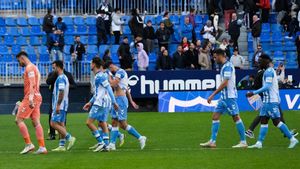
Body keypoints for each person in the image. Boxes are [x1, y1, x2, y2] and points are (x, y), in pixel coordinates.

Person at [246, 54, 299, 149]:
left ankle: (292, 139)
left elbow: (267, 86)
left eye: (260, 61)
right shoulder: (268, 71)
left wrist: (253, 93)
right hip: (267, 101)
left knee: (277, 122)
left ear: (266, 61)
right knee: (263, 120)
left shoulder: (269, 71)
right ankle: (259, 143)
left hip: (271, 101)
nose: (259, 63)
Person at [200, 48, 247, 148]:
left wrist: (213, 94)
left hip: (229, 97)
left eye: (215, 56)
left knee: (236, 117)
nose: (214, 58)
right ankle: (212, 141)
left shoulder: (228, 66)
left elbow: (225, 83)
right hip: (224, 97)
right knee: (215, 116)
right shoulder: (224, 66)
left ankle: (243, 142)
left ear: (220, 55)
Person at [106, 61, 147, 150]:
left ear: (112, 66)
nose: (110, 70)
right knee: (114, 121)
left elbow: (113, 84)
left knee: (123, 124)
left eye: (110, 68)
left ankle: (140, 138)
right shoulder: (118, 74)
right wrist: (131, 101)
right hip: (117, 99)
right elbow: (127, 89)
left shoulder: (120, 72)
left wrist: (109, 76)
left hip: (120, 100)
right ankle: (112, 144)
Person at [83, 57, 118, 152]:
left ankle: (101, 142)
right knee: (102, 123)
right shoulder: (101, 75)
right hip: (105, 103)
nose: (90, 65)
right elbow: (98, 92)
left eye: (91, 63)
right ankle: (106, 145)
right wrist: (90, 102)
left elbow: (109, 88)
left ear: (94, 64)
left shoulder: (99, 76)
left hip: (100, 103)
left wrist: (114, 102)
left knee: (89, 123)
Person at [15, 51, 47, 154]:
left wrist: (30, 99)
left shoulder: (29, 68)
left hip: (31, 96)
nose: (19, 63)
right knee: (35, 121)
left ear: (22, 58)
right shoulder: (35, 67)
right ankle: (42, 147)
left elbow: (33, 84)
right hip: (38, 96)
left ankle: (29, 144)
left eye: (18, 60)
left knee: (18, 119)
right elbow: (37, 82)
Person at [50, 60, 76, 152]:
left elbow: (61, 91)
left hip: (60, 105)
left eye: (54, 67)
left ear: (58, 67)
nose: (53, 70)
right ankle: (61, 145)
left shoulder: (61, 78)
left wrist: (57, 105)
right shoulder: (64, 77)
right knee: (61, 124)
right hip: (63, 105)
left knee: (53, 123)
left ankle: (70, 138)